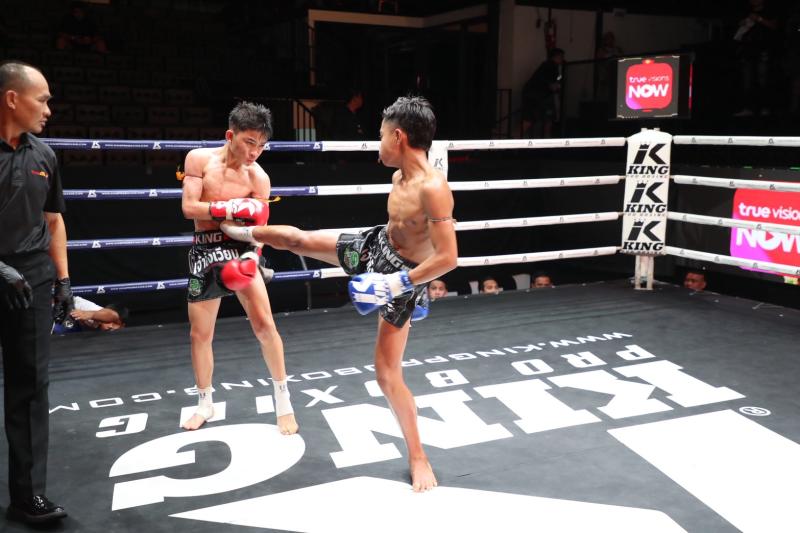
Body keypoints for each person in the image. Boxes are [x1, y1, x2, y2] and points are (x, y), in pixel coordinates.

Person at [221, 95, 457, 492]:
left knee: (386, 375)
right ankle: (238, 232)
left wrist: (399, 284)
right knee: (299, 240)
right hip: (377, 246)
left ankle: (419, 457)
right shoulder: (399, 178)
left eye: (381, 135)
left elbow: (448, 258)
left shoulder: (433, 188)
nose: (378, 143)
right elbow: (407, 230)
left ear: (398, 137)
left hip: (401, 281)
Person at [180, 101, 298, 435]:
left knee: (265, 325)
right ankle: (205, 403)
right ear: (230, 136)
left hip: (240, 249)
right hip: (205, 249)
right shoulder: (198, 159)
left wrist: (253, 258)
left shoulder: (259, 178)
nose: (255, 152)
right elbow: (189, 208)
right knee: (200, 334)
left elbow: (259, 230)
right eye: (249, 142)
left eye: (261, 145)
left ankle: (284, 402)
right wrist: (231, 208)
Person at [0, 61, 70, 524]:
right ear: (12, 99)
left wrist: (63, 280)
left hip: (31, 280)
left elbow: (54, 221)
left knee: (30, 387)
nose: (48, 109)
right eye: (42, 99)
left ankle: (27, 496)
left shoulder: (44, 155)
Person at [520, 48, 565, 138]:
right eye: (561, 57)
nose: (562, 59)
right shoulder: (552, 66)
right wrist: (558, 86)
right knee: (546, 119)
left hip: (532, 94)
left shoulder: (545, 65)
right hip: (538, 96)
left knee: (530, 119)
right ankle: (546, 140)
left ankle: (515, 140)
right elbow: (553, 85)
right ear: (557, 56)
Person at [52, 297, 128, 333]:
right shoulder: (96, 311)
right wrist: (91, 314)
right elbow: (112, 315)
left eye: (115, 324)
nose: (111, 326)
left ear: (122, 326)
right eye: (110, 321)